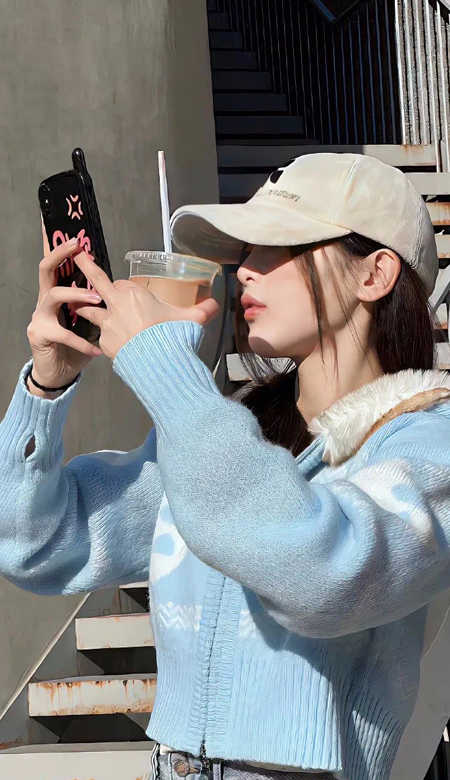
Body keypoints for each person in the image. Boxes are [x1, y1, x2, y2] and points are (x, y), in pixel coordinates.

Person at [0, 153, 450, 780]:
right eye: (244, 250)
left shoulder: (427, 445)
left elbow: (322, 573)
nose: (246, 269)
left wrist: (165, 372)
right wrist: (46, 386)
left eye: (280, 245)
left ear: (374, 274)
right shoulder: (228, 431)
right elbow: (36, 545)